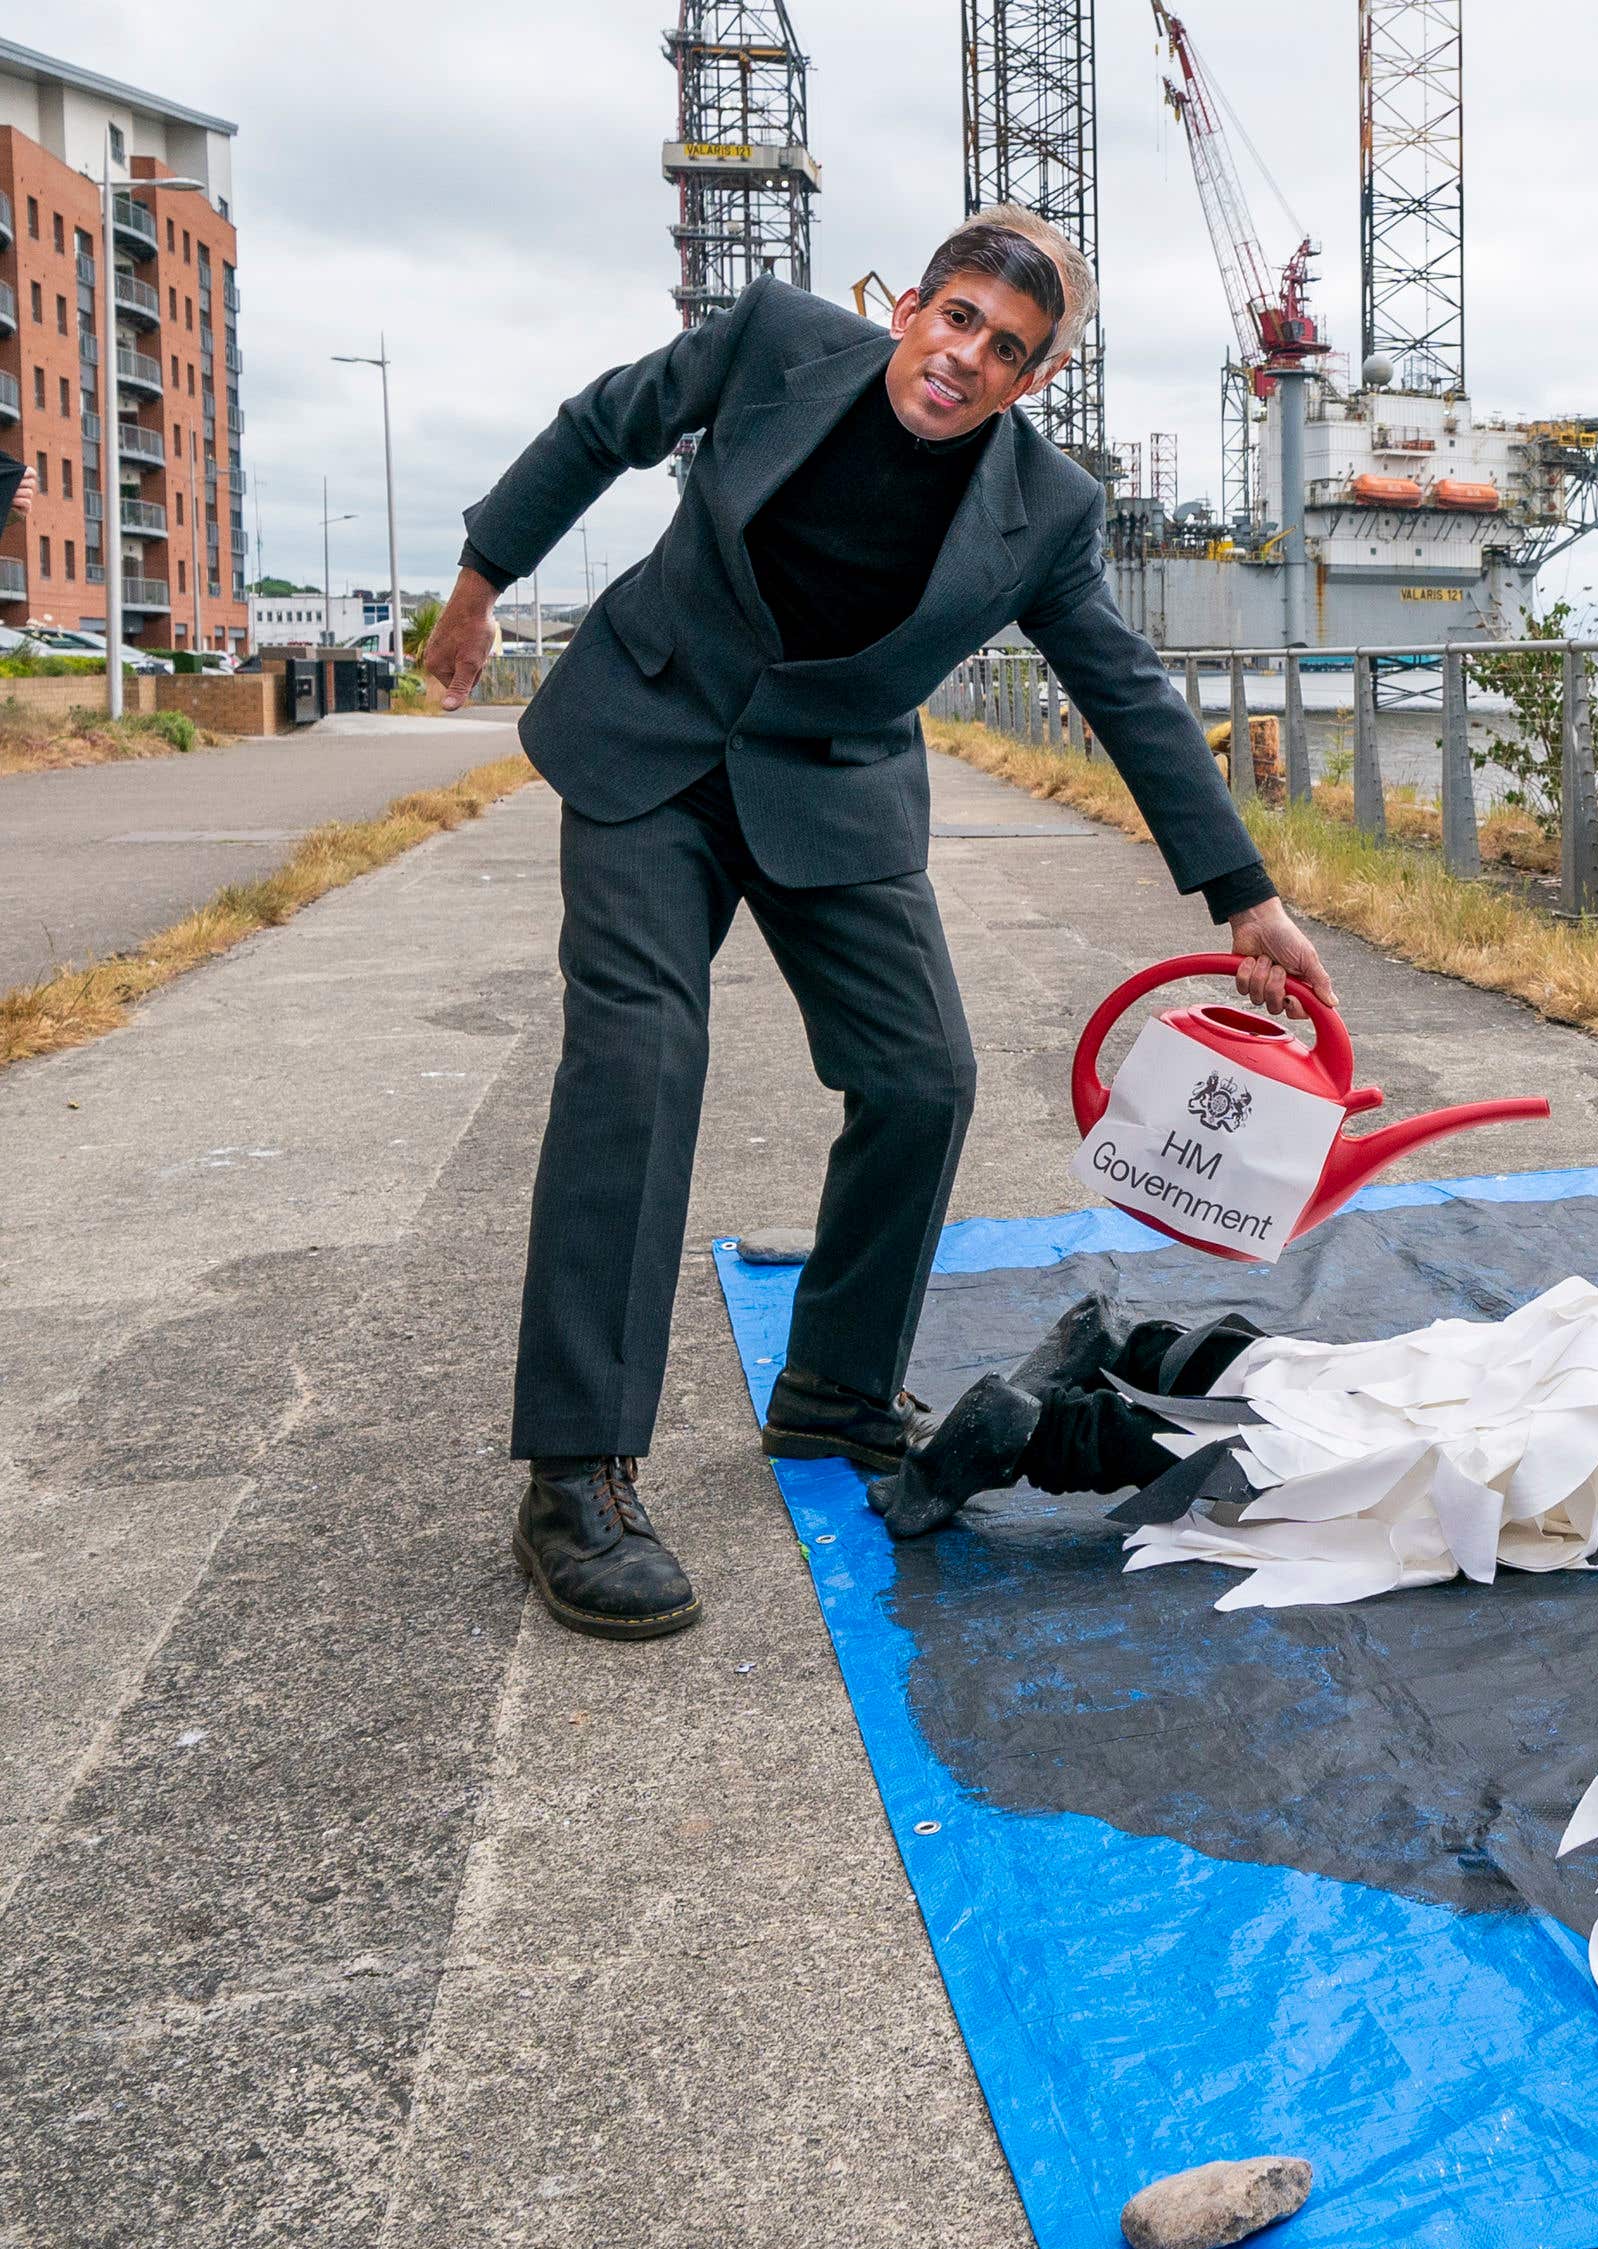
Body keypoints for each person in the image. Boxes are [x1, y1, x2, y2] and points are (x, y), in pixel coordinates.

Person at [420, 205, 1335, 1644]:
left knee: (921, 1078)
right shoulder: (774, 342)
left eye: (1006, 351)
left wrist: (1244, 894)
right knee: (640, 1060)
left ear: (1030, 382)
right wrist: (480, 584)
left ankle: (835, 1389)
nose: (966, 359)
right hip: (648, 738)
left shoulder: (1047, 511)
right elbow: (602, 423)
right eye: (957, 319)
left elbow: (1124, 688)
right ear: (911, 307)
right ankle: (576, 1476)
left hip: (827, 783)